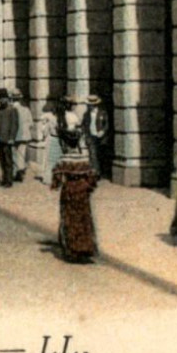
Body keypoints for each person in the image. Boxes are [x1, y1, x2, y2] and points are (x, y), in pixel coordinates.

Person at [51, 117, 100, 263]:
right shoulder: (83, 159)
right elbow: (92, 178)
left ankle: (73, 249)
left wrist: (56, 184)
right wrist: (87, 188)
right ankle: (86, 247)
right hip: (82, 192)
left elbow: (57, 179)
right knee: (84, 218)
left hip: (69, 192)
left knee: (70, 218)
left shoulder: (64, 159)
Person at [0, 89, 21, 188]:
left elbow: (15, 125)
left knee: (8, 160)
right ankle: (4, 179)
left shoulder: (12, 110)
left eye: (4, 98)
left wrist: (12, 138)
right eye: (0, 98)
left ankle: (9, 180)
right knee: (2, 160)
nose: (2, 100)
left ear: (7, 99)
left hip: (7, 139)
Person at [83, 94, 109, 176]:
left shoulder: (102, 113)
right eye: (89, 105)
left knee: (101, 155)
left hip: (100, 137)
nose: (90, 107)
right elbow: (83, 125)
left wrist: (103, 131)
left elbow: (107, 124)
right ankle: (95, 173)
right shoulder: (86, 114)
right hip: (91, 136)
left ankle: (101, 172)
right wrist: (86, 134)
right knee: (93, 154)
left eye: (91, 105)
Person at [12, 89, 33, 182]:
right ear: (20, 99)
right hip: (24, 135)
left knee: (14, 155)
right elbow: (31, 124)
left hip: (13, 135)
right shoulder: (26, 109)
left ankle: (16, 172)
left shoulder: (11, 109)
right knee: (22, 154)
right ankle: (20, 171)